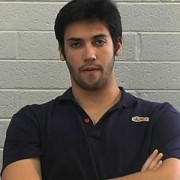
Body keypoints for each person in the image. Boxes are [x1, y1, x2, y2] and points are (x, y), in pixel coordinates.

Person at [1, 0, 180, 179]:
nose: (89, 55)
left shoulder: (160, 118)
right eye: (76, 44)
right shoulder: (31, 122)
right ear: (62, 51)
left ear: (118, 45)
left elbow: (173, 175)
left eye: (99, 41)